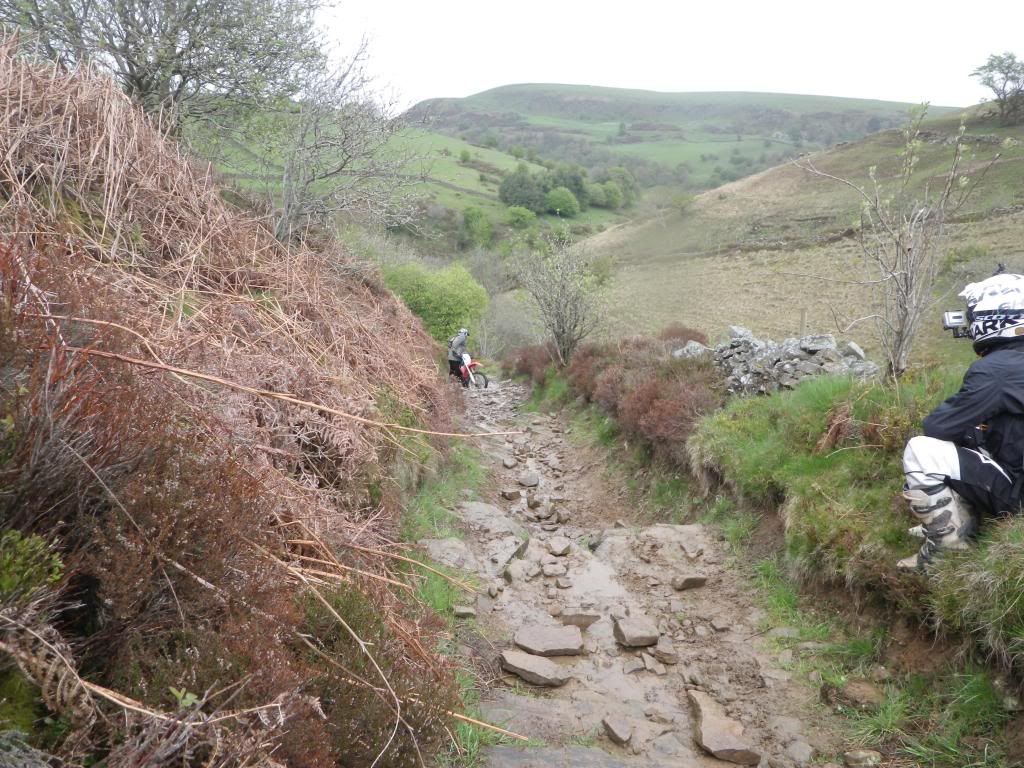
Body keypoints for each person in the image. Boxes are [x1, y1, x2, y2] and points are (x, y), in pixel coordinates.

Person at [897, 272, 1024, 570]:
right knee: (975, 439)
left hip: (1018, 497)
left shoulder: (997, 370)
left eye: (973, 315)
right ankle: (958, 516)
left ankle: (946, 549)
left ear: (993, 317)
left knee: (921, 450)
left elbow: (939, 426)